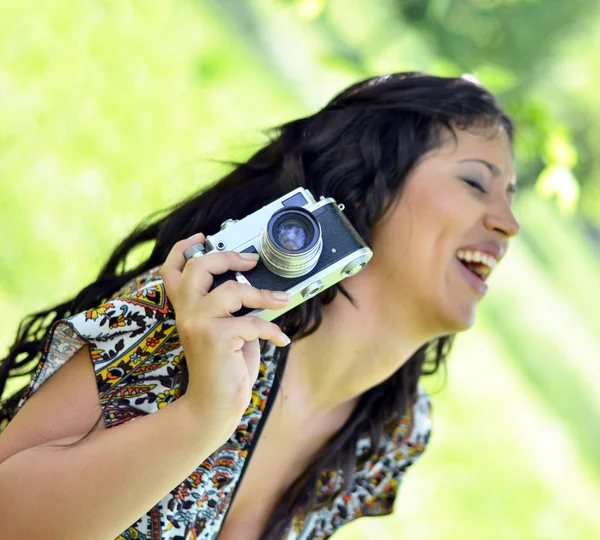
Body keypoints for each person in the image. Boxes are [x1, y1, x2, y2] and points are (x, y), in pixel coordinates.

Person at [0, 72, 520, 540]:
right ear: (364, 192)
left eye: (512, 196)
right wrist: (202, 417)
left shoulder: (391, 434)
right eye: (476, 183)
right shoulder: (201, 311)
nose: (509, 223)